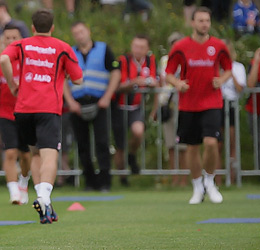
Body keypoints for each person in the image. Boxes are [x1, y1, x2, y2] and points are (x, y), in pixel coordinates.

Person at [1, 9, 83, 223]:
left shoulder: (22, 44)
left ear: (34, 27)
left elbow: (3, 60)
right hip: (48, 108)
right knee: (50, 156)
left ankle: (42, 199)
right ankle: (44, 196)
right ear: (52, 27)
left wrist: (12, 84)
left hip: (23, 108)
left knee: (35, 155)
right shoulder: (63, 48)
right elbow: (79, 80)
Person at [165, 7, 231, 204]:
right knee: (192, 148)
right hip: (188, 104)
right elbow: (168, 72)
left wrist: (222, 79)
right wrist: (177, 84)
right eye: (201, 20)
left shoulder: (218, 46)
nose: (204, 24)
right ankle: (197, 187)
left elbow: (228, 68)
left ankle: (210, 181)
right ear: (192, 23)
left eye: (207, 21)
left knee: (211, 143)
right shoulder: (180, 46)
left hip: (212, 102)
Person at [64, 21, 121, 192]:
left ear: (88, 31)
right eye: (76, 33)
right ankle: (90, 182)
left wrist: (107, 96)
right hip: (77, 104)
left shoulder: (103, 49)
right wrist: (70, 102)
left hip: (100, 102)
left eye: (81, 31)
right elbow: (63, 80)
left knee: (102, 143)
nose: (79, 36)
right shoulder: (70, 53)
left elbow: (115, 72)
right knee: (82, 144)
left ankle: (105, 182)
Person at [0, 24, 30, 204]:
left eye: (14, 38)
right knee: (9, 152)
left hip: (25, 112)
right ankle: (14, 193)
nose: (11, 41)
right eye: (7, 38)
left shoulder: (28, 61)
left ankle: (23, 182)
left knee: (25, 155)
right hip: (4, 112)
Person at [111, 34, 156, 186]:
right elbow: (118, 86)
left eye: (142, 47)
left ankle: (131, 155)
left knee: (138, 131)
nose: (138, 50)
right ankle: (123, 178)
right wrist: (134, 82)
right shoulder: (122, 61)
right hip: (119, 107)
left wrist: (150, 83)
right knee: (120, 144)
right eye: (136, 46)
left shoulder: (150, 61)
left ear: (147, 49)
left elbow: (155, 81)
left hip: (136, 107)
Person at [152, 31, 187, 187]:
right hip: (168, 104)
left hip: (185, 104)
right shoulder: (165, 60)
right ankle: (175, 179)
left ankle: (185, 179)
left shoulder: (188, 59)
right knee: (171, 144)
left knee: (184, 145)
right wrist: (155, 108)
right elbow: (160, 84)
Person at [219, 39, 245, 185]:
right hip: (217, 106)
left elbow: (240, 89)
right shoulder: (214, 66)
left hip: (231, 105)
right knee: (217, 144)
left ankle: (232, 179)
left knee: (232, 142)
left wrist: (229, 72)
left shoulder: (237, 67)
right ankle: (216, 180)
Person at [246, 47, 260, 170]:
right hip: (255, 110)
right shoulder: (254, 63)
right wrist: (257, 60)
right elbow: (250, 84)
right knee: (257, 143)